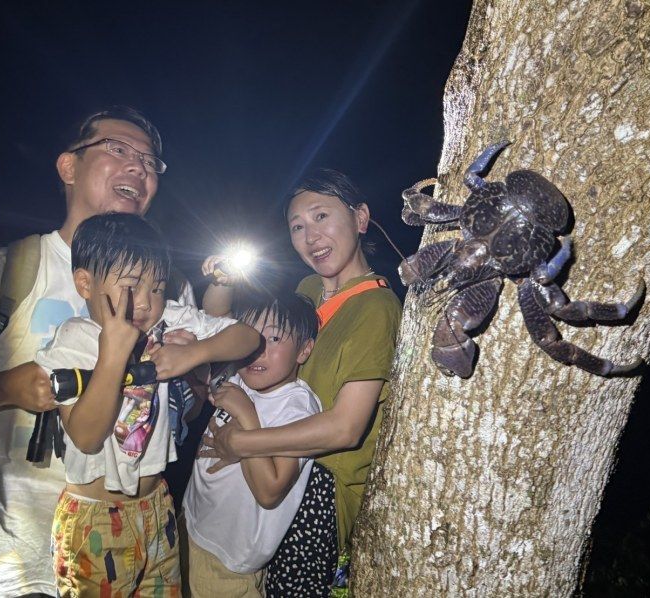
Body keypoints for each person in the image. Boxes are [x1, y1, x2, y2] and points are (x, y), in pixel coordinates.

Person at [0, 107, 193, 597]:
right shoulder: (11, 268)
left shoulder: (168, 289)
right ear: (68, 167)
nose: (140, 168)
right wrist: (4, 387)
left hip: (128, 555)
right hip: (6, 563)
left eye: (150, 162)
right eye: (119, 150)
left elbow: (176, 407)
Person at [34, 213, 260, 596]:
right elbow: (87, 437)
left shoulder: (167, 321)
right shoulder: (77, 339)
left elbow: (247, 338)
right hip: (96, 516)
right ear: (85, 283)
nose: (146, 302)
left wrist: (193, 355)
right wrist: (113, 355)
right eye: (131, 286)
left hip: (157, 505)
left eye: (156, 288)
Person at [200, 168, 402, 596]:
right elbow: (231, 345)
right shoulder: (307, 289)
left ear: (360, 218)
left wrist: (242, 440)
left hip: (318, 488)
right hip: (268, 460)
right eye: (297, 226)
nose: (311, 236)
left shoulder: (377, 308)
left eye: (322, 216)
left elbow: (345, 429)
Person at [183, 291, 321, 597]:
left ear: (304, 349)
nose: (258, 349)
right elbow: (215, 317)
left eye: (273, 339)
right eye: (252, 337)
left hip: (229, 561)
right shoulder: (239, 376)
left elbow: (270, 491)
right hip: (192, 524)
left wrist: (246, 415)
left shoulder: (297, 407)